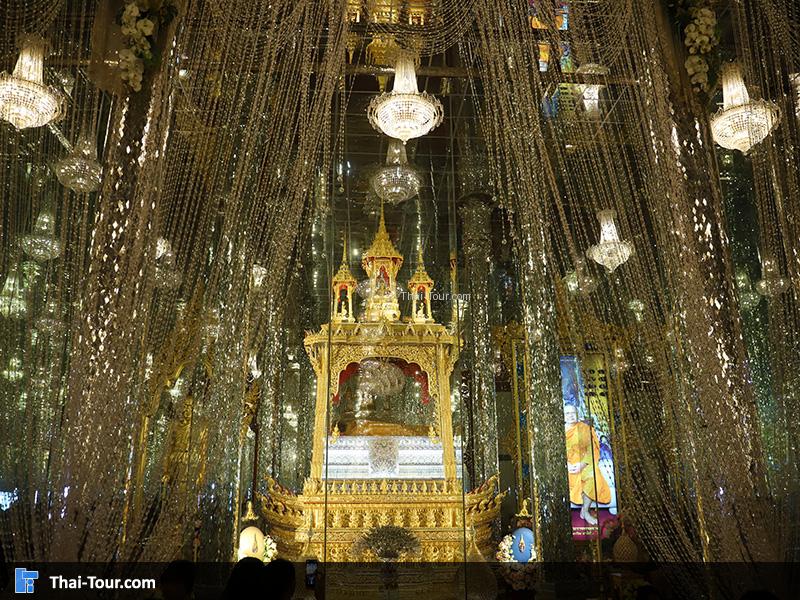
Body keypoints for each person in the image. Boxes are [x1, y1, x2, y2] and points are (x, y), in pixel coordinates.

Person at [564, 403, 611, 525]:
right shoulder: (558, 432)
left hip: (583, 463)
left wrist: (583, 464)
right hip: (566, 465)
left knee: (593, 475)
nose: (570, 416)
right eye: (567, 413)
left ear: (577, 414)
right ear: (563, 416)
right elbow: (554, 451)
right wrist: (566, 464)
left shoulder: (585, 428)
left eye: (573, 413)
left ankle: (585, 511)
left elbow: (593, 448)